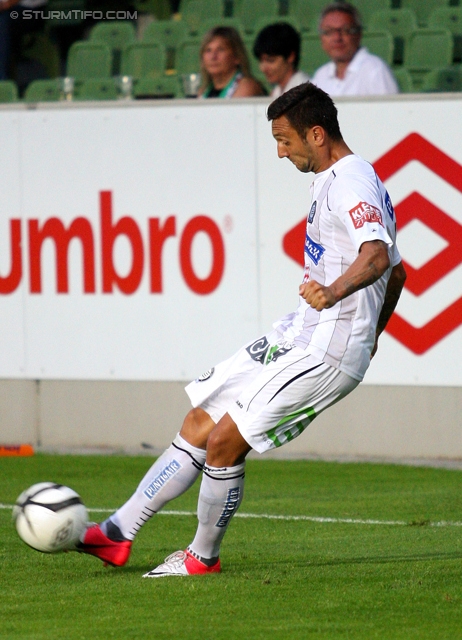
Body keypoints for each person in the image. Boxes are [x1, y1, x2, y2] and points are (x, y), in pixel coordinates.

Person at [77, 82, 407, 577]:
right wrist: (376, 332)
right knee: (200, 422)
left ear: (316, 134)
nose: (280, 152)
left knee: (225, 441)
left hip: (326, 348)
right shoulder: (333, 178)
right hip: (299, 331)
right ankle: (118, 532)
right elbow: (399, 273)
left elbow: (378, 258)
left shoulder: (352, 182)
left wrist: (335, 296)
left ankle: (201, 558)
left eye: (285, 139)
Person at [312, 2, 399, 96]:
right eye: (329, 31)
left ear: (359, 34)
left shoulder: (375, 70)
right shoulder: (321, 75)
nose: (337, 38)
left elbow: (391, 109)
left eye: (346, 30)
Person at [197, 26, 265, 98]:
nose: (213, 57)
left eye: (220, 49)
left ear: (237, 57)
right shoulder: (203, 92)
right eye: (208, 50)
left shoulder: (247, 86)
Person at [252, 21, 310, 98]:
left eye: (271, 60)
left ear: (290, 56)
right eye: (261, 61)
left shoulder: (305, 91)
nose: (263, 68)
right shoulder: (277, 91)